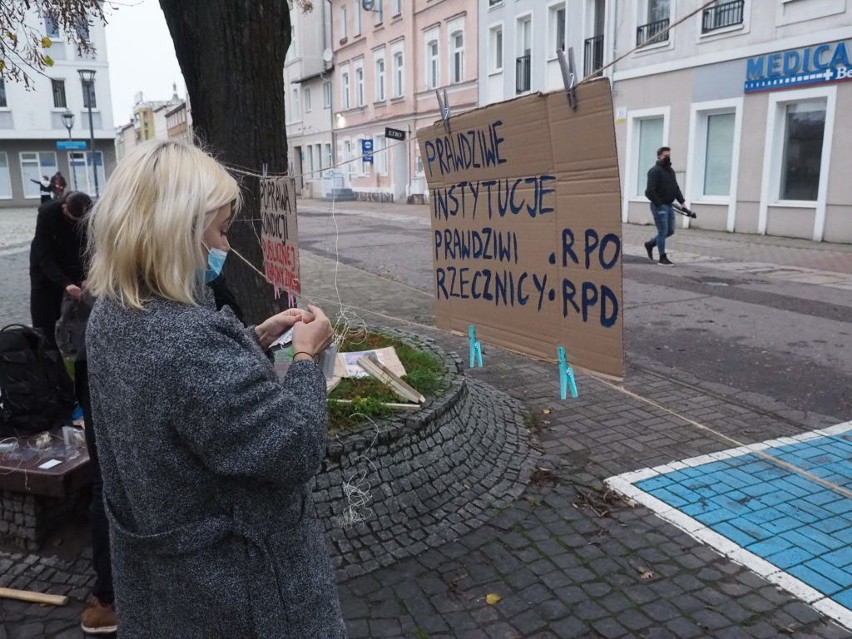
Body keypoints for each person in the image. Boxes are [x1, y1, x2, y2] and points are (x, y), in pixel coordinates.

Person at [84, 140, 347, 638]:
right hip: (237, 593)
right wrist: (305, 356)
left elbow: (175, 394)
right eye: (221, 230)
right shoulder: (185, 340)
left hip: (167, 589)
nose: (227, 247)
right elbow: (295, 447)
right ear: (174, 232)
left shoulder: (115, 312)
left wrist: (256, 339)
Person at [29, 191, 92, 347]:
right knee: (44, 310)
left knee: (80, 307)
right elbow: (44, 255)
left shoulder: (90, 214)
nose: (73, 223)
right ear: (63, 207)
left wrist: (87, 276)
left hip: (73, 258)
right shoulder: (47, 214)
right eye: (71, 219)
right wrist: (66, 283)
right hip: (46, 262)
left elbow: (89, 248)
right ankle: (46, 349)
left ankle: (77, 346)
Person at [644, 146, 686, 266]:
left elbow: (676, 188)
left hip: (669, 205)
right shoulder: (654, 171)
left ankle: (650, 244)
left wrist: (683, 203)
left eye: (669, 155)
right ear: (659, 157)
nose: (668, 158)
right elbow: (649, 191)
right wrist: (659, 204)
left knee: (670, 231)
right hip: (659, 206)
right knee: (663, 231)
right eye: (665, 156)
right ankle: (662, 258)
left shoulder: (670, 171)